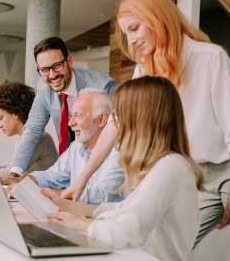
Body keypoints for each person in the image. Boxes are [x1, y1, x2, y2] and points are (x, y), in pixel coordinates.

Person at [61, 0, 230, 244]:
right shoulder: (145, 67)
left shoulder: (211, 57)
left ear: (158, 17)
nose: (132, 41)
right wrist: (82, 179)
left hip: (228, 170)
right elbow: (117, 122)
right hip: (189, 175)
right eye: (126, 34)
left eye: (135, 28)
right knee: (162, 242)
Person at [46, 76, 203, 261]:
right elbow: (125, 209)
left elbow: (127, 230)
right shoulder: (162, 165)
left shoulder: (170, 168)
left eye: (119, 116)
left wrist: (81, 224)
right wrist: (78, 209)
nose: (115, 126)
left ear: (140, 121)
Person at [5, 37, 118, 181]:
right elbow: (33, 129)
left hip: (102, 166)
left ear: (69, 61)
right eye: (44, 69)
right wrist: (15, 173)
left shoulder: (103, 87)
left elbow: (122, 130)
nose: (52, 75)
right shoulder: (44, 86)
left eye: (57, 65)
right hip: (67, 165)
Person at [20, 89, 124, 205]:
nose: (70, 123)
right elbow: (52, 176)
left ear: (101, 120)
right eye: (71, 116)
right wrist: (25, 181)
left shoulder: (120, 150)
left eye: (78, 116)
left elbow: (105, 195)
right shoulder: (76, 147)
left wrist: (54, 194)